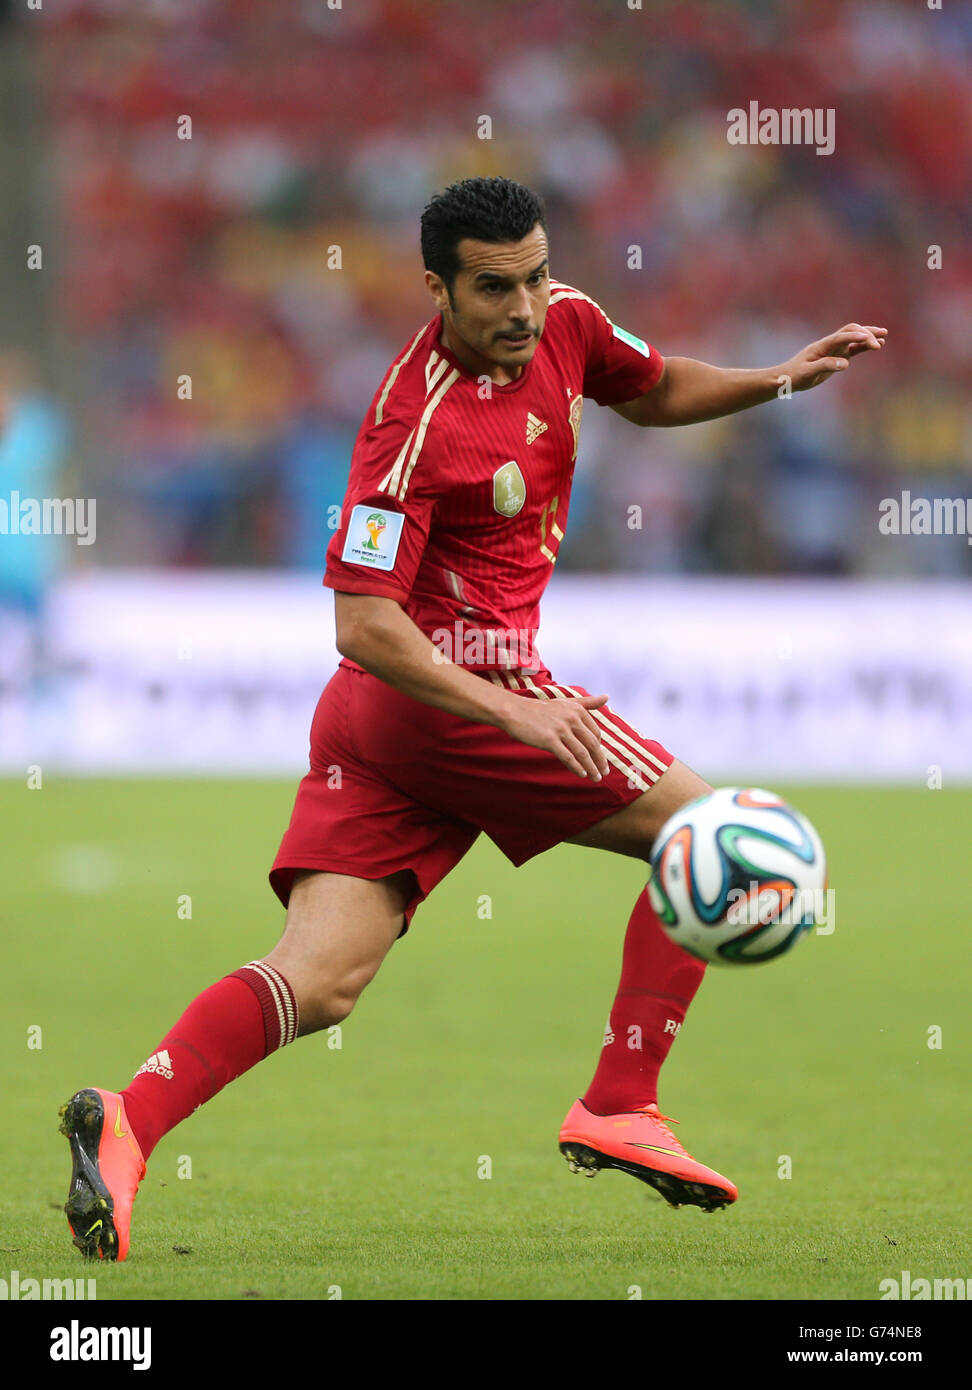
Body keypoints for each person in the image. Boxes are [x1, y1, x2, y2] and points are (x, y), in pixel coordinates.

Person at [60, 176, 886, 1261]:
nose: (526, 305)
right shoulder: (412, 420)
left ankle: (129, 1120)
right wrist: (514, 712)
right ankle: (619, 1100)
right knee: (718, 838)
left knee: (319, 979)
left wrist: (780, 380)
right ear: (438, 289)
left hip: (389, 727)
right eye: (495, 286)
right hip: (451, 697)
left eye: (537, 273)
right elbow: (362, 623)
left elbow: (652, 386)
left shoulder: (572, 324)